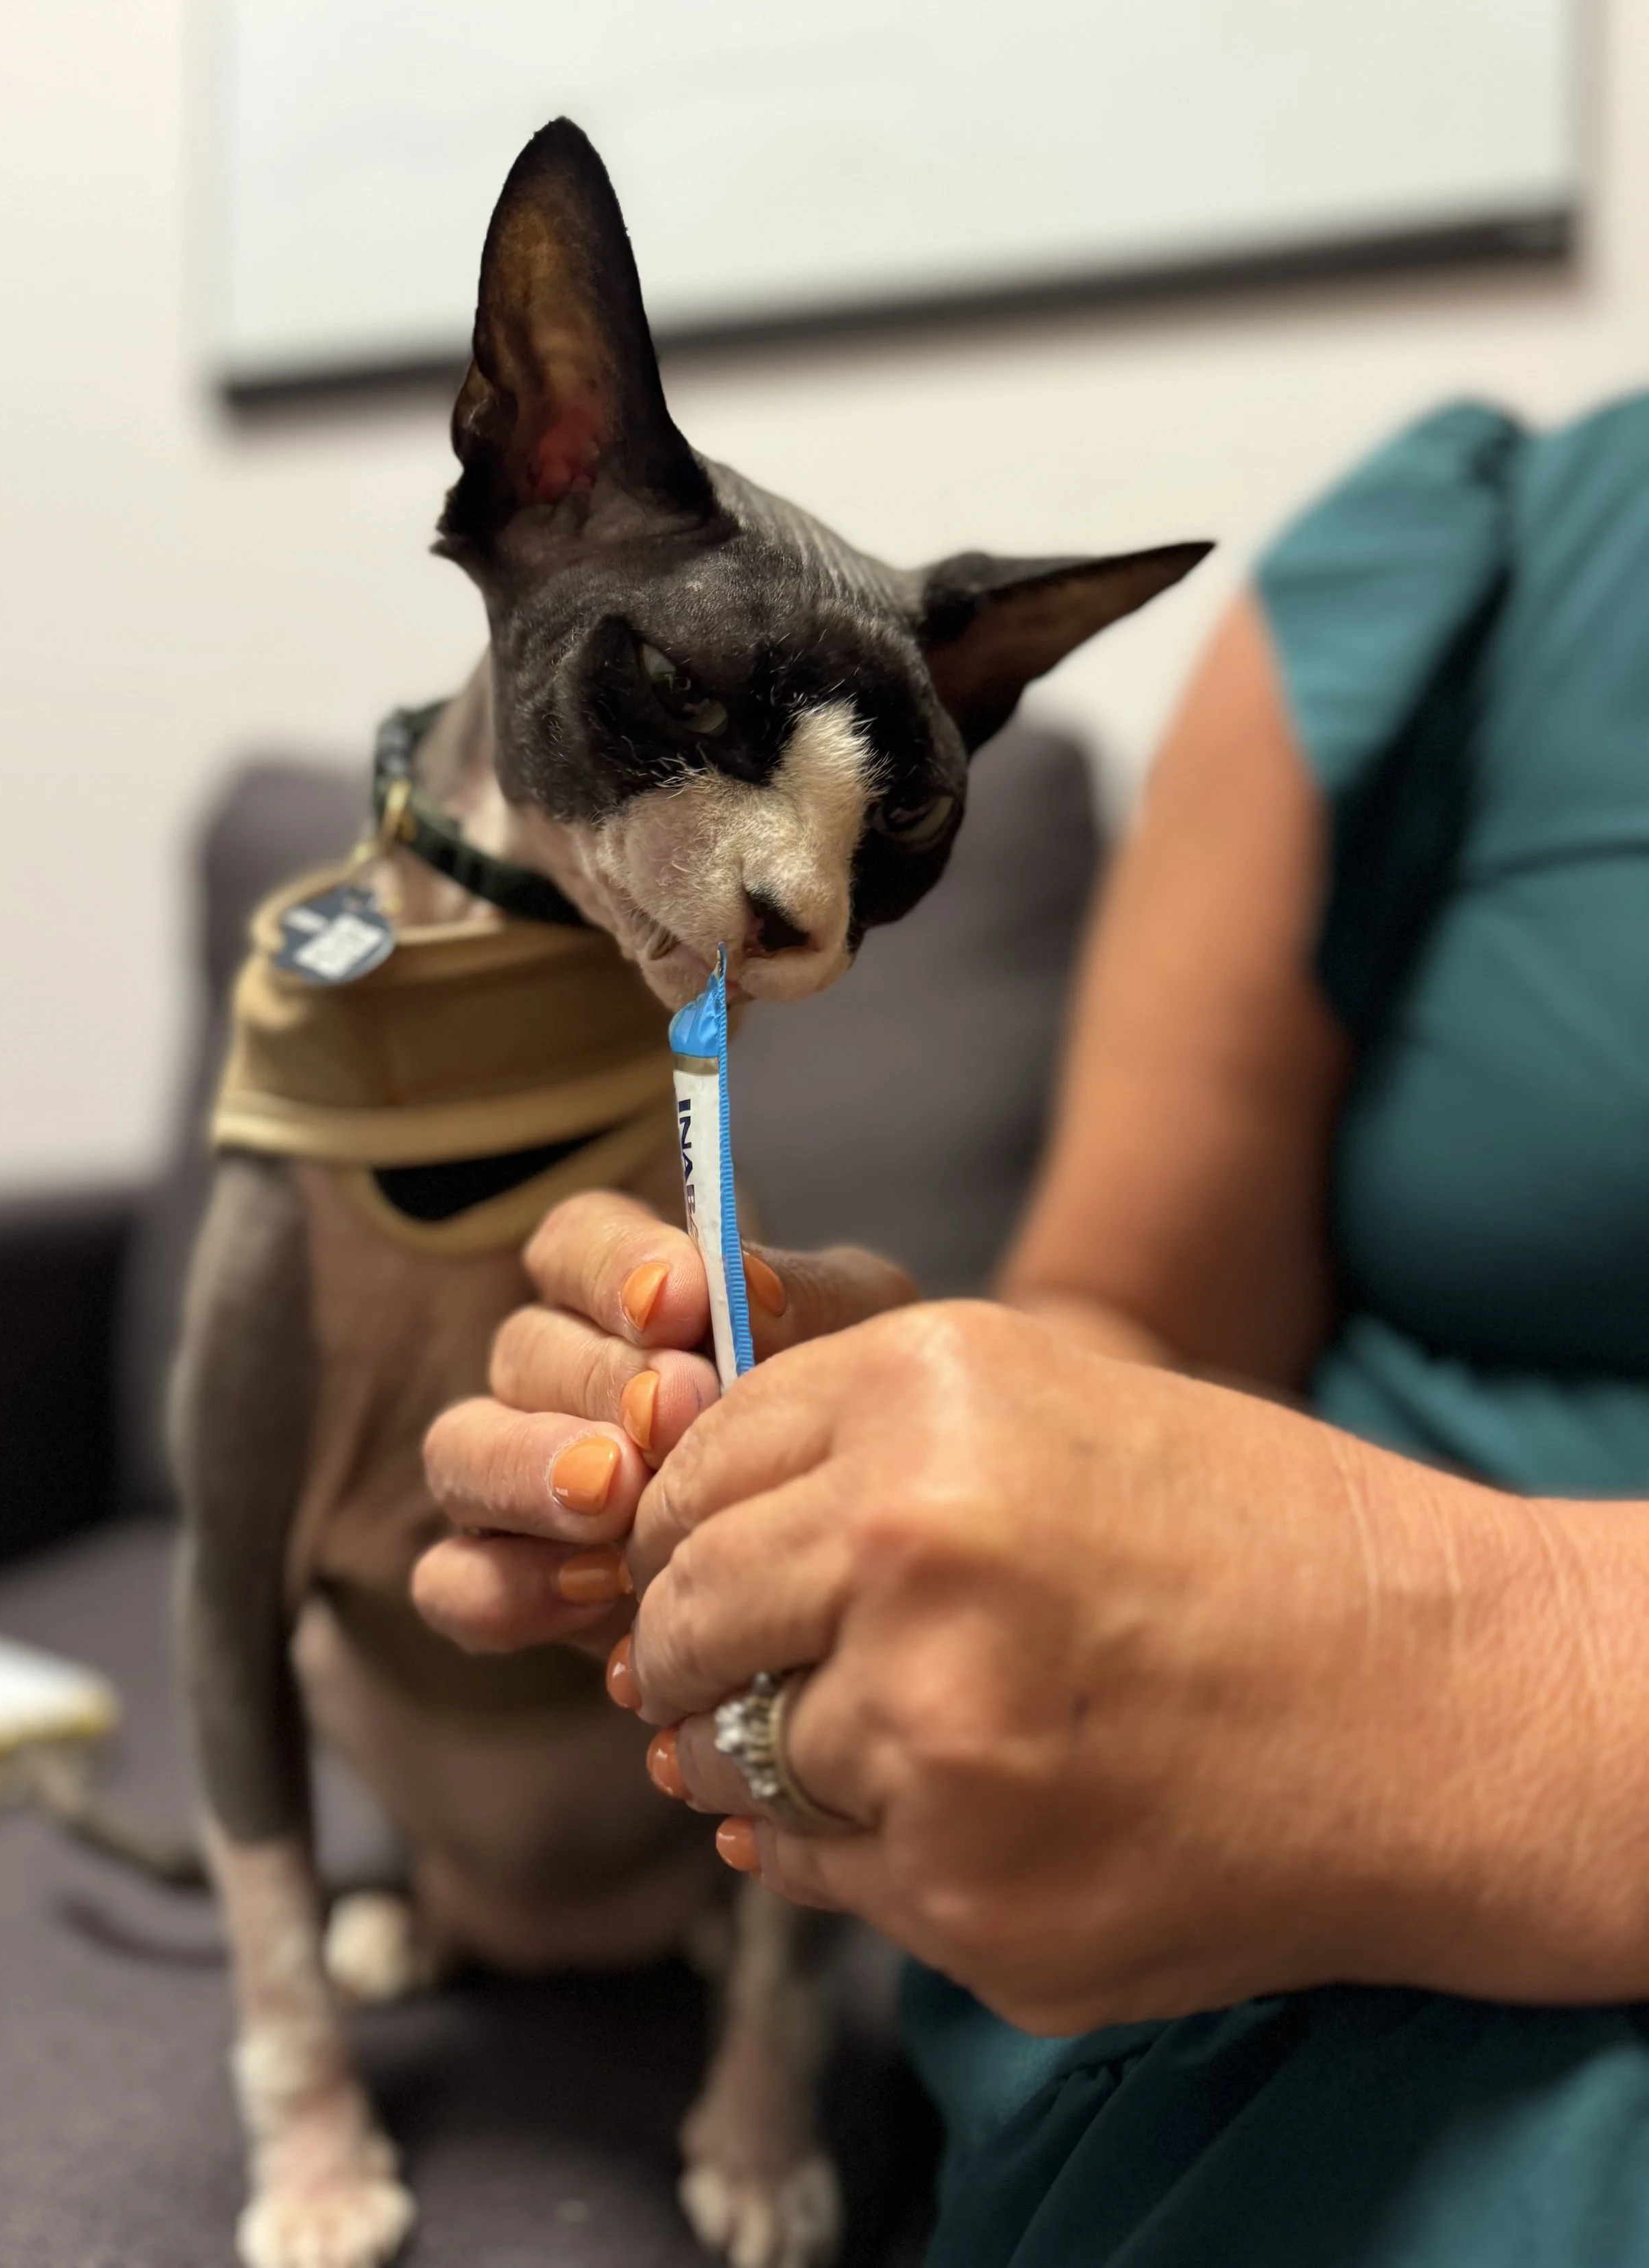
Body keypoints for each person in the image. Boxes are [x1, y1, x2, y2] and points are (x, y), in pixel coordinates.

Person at [415, 392, 1649, 2265]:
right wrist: (929, 1458)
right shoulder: (1444, 575)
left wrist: (1465, 1674)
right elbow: (1138, 1314)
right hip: (1169, 1955)